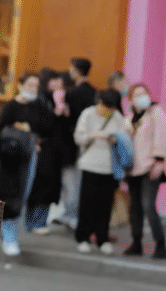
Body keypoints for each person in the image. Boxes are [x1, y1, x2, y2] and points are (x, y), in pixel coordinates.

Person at [0, 73, 54, 256]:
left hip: (30, 157)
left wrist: (34, 138)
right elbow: (1, 128)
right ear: (20, 85)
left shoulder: (39, 107)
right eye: (29, 85)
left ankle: (10, 234)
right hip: (10, 158)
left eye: (36, 86)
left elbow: (47, 128)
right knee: (9, 195)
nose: (32, 89)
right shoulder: (10, 106)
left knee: (22, 195)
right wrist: (18, 130)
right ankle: (8, 235)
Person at [74, 89, 124, 254]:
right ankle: (83, 237)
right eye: (104, 105)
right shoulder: (88, 114)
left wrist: (115, 139)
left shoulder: (117, 117)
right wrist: (94, 135)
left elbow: (123, 138)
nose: (106, 109)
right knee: (87, 204)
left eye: (110, 106)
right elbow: (78, 137)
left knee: (105, 206)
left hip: (110, 167)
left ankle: (102, 238)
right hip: (90, 165)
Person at [123, 83, 166, 259]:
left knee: (149, 206)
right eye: (137, 94)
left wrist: (159, 160)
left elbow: (162, 135)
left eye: (144, 93)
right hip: (132, 169)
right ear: (131, 99)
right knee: (135, 208)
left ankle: (161, 244)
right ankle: (136, 243)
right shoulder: (128, 119)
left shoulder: (156, 112)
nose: (141, 97)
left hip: (150, 167)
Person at [55, 57, 97, 230]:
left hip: (70, 143)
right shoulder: (94, 92)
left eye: (71, 68)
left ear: (77, 71)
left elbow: (67, 120)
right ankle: (76, 215)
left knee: (70, 181)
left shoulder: (71, 93)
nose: (69, 71)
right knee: (81, 181)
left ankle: (71, 215)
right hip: (90, 142)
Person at [25, 69, 68, 235]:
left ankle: (38, 222)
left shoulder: (52, 98)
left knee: (46, 186)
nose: (58, 83)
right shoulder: (40, 100)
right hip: (43, 148)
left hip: (53, 149)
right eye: (54, 80)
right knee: (41, 186)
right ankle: (35, 222)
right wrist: (56, 112)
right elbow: (42, 124)